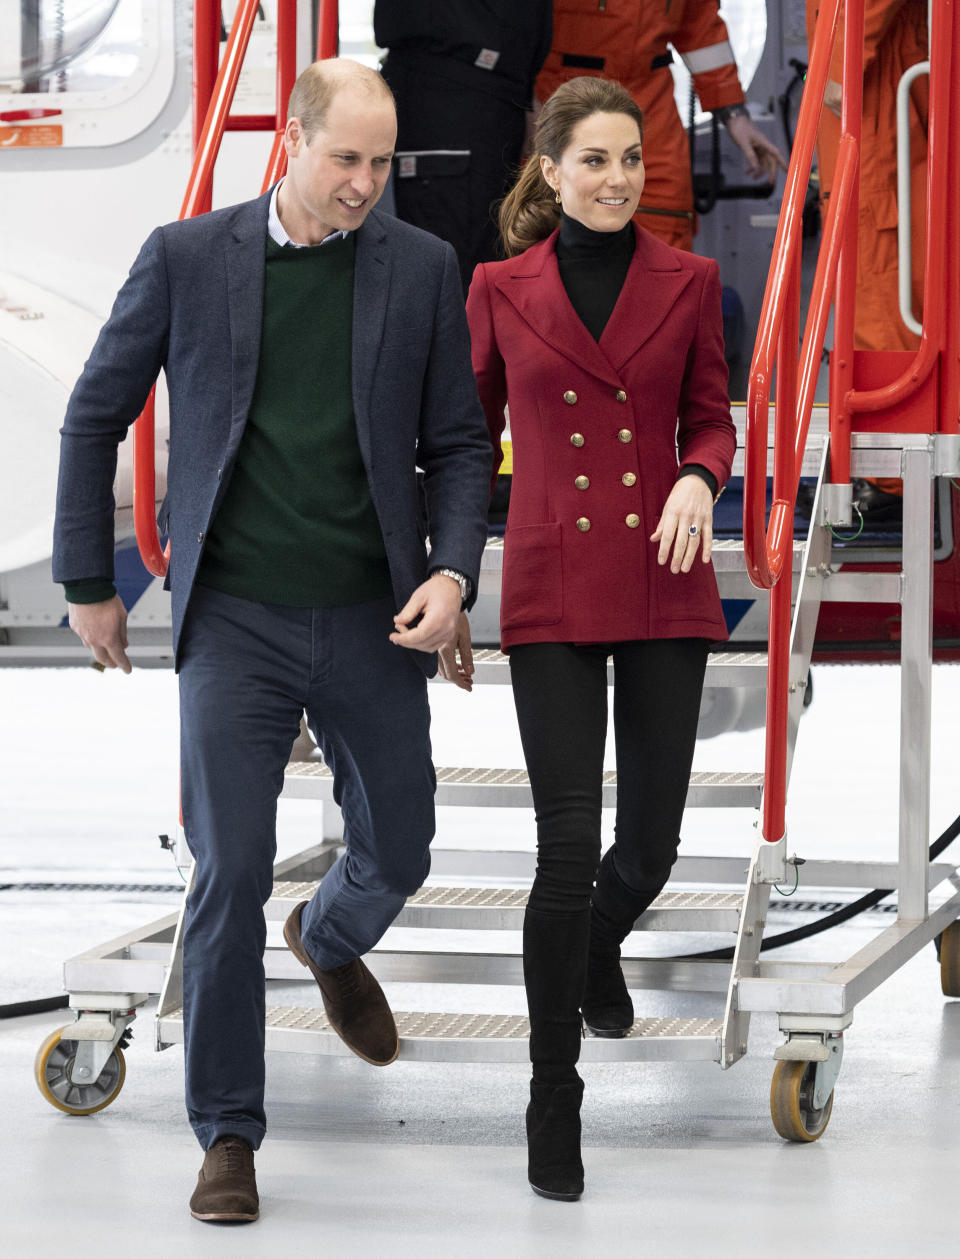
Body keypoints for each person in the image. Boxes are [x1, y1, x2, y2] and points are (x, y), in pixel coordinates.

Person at [52, 58, 491, 1224]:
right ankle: (229, 1134)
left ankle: (331, 934)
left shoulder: (424, 268)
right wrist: (90, 579)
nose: (363, 184)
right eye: (344, 158)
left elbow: (456, 442)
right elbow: (96, 409)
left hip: (372, 614)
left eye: (381, 162)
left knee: (401, 848)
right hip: (234, 619)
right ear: (290, 140)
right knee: (229, 868)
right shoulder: (191, 257)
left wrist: (453, 573)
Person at [460, 76, 736, 1200]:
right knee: (565, 843)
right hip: (553, 574)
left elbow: (713, 411)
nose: (620, 177)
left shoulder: (693, 279)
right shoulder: (497, 287)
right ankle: (551, 1093)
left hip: (664, 567)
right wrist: (440, 563)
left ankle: (599, 943)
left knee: (653, 842)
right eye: (597, 160)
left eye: (632, 158)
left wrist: (697, 475)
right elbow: (465, 436)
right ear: (553, 168)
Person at [535, 0, 787, 251]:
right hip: (560, 101)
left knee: (667, 220)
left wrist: (734, 114)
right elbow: (511, 26)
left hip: (650, 108)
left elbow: (700, 28)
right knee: (547, 228)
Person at [808, 0, 928, 515]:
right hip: (863, 97)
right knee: (864, 282)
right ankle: (877, 464)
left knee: (880, 283)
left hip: (873, 98)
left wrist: (835, 68)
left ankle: (891, 477)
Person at [375, 0, 553, 295]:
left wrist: (523, 94)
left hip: (488, 91)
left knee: (479, 265)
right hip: (449, 89)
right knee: (455, 277)